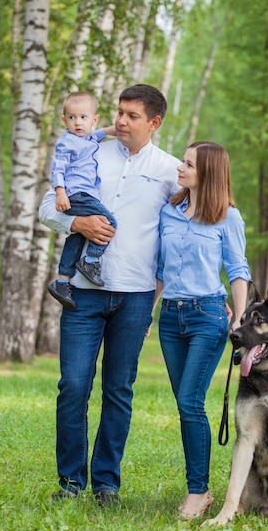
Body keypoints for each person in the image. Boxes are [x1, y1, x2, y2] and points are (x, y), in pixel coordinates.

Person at [39, 84, 181, 505]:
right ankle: (70, 484)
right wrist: (76, 225)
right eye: (119, 112)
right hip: (81, 295)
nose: (120, 121)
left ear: (154, 123)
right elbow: (49, 206)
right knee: (73, 387)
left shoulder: (172, 171)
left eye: (131, 115)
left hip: (136, 297)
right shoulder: (89, 149)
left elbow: (189, 230)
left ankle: (106, 484)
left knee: (119, 390)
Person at [155, 141, 251, 520]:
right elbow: (160, 271)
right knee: (185, 403)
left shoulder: (228, 217)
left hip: (207, 316)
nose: (180, 167)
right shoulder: (169, 212)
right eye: (183, 160)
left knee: (189, 401)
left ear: (208, 173)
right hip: (170, 317)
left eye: (189, 163)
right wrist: (147, 314)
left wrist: (239, 320)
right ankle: (198, 486)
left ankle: (199, 492)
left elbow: (239, 270)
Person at [48, 91, 117, 310]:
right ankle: (91, 262)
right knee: (109, 223)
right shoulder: (66, 143)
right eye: (72, 118)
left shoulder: (87, 138)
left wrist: (117, 129)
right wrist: (60, 192)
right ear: (64, 120)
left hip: (83, 195)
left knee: (77, 237)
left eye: (83, 118)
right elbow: (57, 168)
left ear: (94, 119)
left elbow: (99, 134)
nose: (77, 122)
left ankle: (62, 281)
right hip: (77, 195)